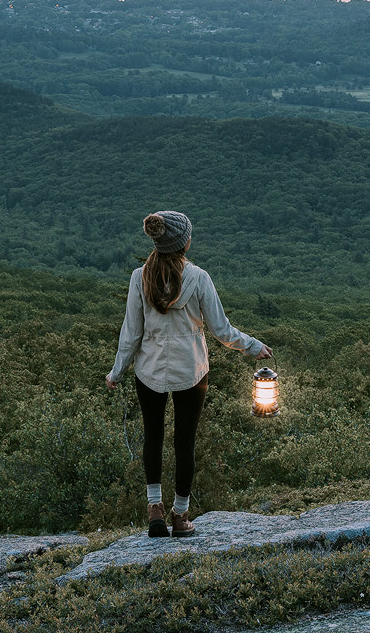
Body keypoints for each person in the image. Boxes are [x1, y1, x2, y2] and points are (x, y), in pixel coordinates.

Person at [106, 210, 272, 538]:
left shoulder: (139, 277)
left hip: (148, 370)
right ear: (184, 242)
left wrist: (116, 372)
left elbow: (131, 333)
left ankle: (155, 511)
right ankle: (180, 517)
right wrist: (253, 346)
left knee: (152, 437)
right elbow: (222, 331)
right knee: (185, 443)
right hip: (191, 371)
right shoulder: (199, 278)